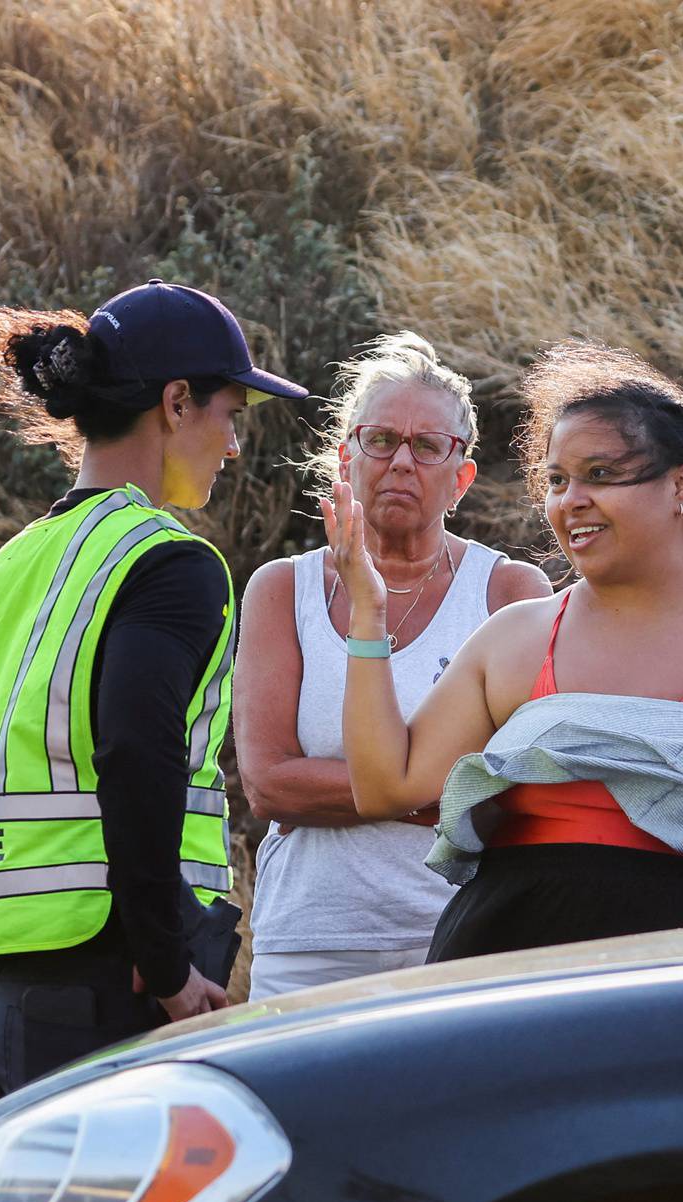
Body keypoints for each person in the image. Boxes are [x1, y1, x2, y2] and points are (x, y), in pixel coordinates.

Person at [0, 278, 308, 1122]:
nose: (232, 447)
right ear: (176, 401)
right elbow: (133, 747)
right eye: (231, 414)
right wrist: (163, 966)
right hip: (111, 994)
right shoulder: (168, 562)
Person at [321, 339, 683, 960]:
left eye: (601, 475)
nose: (570, 501)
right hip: (502, 956)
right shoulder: (515, 636)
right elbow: (382, 787)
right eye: (557, 480)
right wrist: (367, 613)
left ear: (681, 486)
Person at [235, 333, 551, 998]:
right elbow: (269, 786)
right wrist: (433, 787)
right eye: (381, 439)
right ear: (346, 456)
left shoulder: (509, 594)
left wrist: (360, 789)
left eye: (427, 445)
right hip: (310, 944)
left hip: (462, 937)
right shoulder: (279, 590)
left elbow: (519, 792)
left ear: (461, 475)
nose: (401, 460)